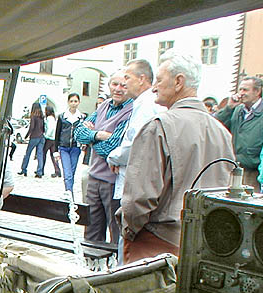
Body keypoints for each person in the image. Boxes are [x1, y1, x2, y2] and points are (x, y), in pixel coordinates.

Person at [118, 50, 234, 264]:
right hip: (202, 242)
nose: (154, 87)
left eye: (159, 80)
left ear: (179, 81)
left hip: (157, 243)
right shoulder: (221, 132)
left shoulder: (159, 127)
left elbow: (138, 199)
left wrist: (130, 230)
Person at [106, 59, 162, 255]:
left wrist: (114, 158)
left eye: (127, 77)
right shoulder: (143, 103)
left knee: (127, 242)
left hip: (134, 182)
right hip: (134, 177)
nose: (124, 82)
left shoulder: (146, 104)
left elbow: (135, 143)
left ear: (142, 79)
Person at [74, 71, 133, 244]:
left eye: (123, 85)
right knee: (91, 230)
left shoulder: (130, 111)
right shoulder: (104, 105)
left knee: (116, 232)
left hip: (113, 182)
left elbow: (113, 147)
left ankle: (115, 269)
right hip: (94, 176)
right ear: (109, 85)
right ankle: (92, 267)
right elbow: (78, 132)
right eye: (115, 84)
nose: (119, 89)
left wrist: (91, 137)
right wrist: (99, 135)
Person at [214, 76, 263, 191]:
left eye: (245, 90)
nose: (241, 93)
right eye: (240, 90)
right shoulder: (236, 110)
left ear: (257, 91)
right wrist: (229, 108)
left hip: (255, 174)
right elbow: (216, 126)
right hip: (235, 168)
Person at [53, 93, 86, 196]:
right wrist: (55, 150)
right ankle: (69, 193)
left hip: (76, 148)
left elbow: (84, 132)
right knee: (67, 173)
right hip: (64, 147)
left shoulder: (82, 117)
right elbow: (57, 133)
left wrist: (84, 143)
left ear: (79, 102)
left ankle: (69, 192)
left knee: (72, 172)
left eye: (75, 101)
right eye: (71, 101)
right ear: (68, 102)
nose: (73, 103)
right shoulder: (62, 117)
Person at [18, 102, 45, 177]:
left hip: (34, 137)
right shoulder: (41, 116)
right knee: (40, 155)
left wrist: (26, 136)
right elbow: (43, 127)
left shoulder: (33, 116)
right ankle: (39, 172)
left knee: (28, 154)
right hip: (41, 137)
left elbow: (32, 127)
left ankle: (24, 169)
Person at [41, 105, 61, 178]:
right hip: (54, 139)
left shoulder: (49, 118)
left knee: (43, 154)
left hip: (49, 138)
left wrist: (46, 135)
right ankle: (57, 170)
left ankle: (41, 169)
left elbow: (51, 128)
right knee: (53, 155)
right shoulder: (54, 118)